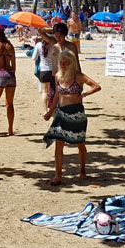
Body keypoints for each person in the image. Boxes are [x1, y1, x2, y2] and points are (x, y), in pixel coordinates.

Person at [43, 49, 101, 185]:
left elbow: (96, 86)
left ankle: (82, 170)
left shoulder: (78, 76)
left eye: (66, 63)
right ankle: (58, 175)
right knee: (59, 144)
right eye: (61, 63)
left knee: (79, 143)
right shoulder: (58, 76)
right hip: (61, 113)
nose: (63, 65)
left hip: (76, 113)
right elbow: (57, 95)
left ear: (72, 63)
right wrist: (50, 112)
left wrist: (84, 94)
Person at [33, 27, 59, 113]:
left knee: (44, 91)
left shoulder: (39, 45)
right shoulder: (55, 44)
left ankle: (45, 110)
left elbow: (34, 58)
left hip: (44, 70)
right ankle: (54, 109)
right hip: (54, 70)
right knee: (55, 91)